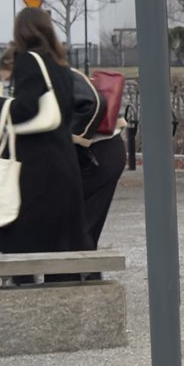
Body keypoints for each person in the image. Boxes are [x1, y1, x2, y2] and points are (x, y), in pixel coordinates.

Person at [0, 7, 89, 266]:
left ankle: (22, 288)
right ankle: (67, 284)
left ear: (21, 31)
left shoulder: (28, 61)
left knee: (22, 233)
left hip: (36, 162)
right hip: (63, 158)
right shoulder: (60, 63)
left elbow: (25, 109)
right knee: (61, 235)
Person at [71, 65, 128, 246]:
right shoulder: (70, 75)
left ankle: (82, 271)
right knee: (86, 226)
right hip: (108, 150)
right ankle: (85, 271)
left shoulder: (52, 80)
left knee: (77, 229)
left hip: (98, 154)